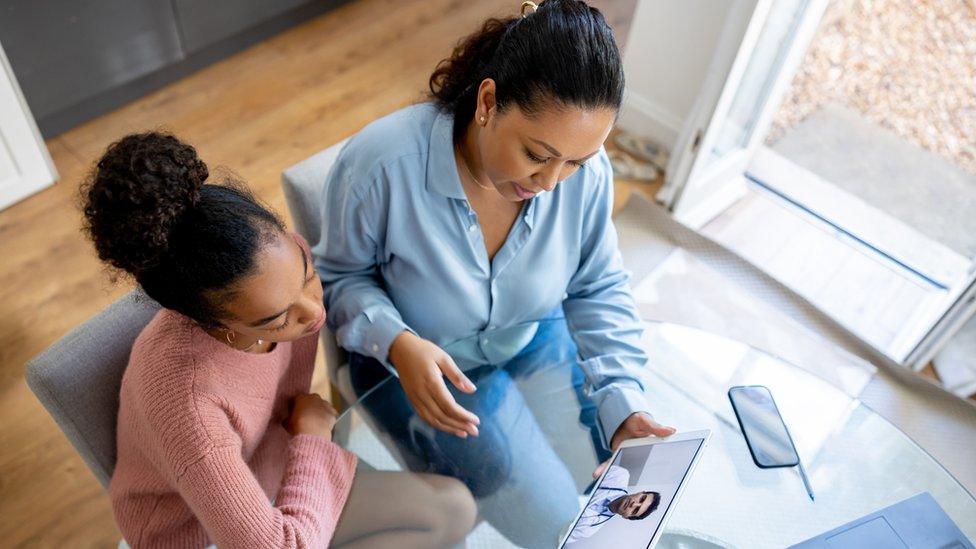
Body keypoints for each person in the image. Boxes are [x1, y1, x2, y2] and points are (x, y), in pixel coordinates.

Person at [318, 0, 676, 544]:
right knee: (558, 528)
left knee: (622, 498)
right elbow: (338, 280)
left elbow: (596, 282)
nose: (553, 182)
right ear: (488, 101)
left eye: (576, 162)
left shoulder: (588, 175)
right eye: (538, 153)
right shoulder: (381, 165)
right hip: (420, 366)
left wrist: (622, 395)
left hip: (533, 335)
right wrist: (397, 342)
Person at [82, 132, 476, 548]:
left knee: (455, 508)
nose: (312, 312)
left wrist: (399, 342)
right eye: (277, 319)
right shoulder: (187, 405)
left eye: (308, 276)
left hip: (276, 470)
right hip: (203, 532)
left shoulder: (283, 266)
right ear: (216, 324)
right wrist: (311, 436)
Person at [563, 464, 661, 544]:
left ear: (627, 517)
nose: (634, 504)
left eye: (635, 510)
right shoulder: (619, 475)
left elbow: (560, 534)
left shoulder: (589, 529)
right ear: (641, 492)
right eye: (642, 499)